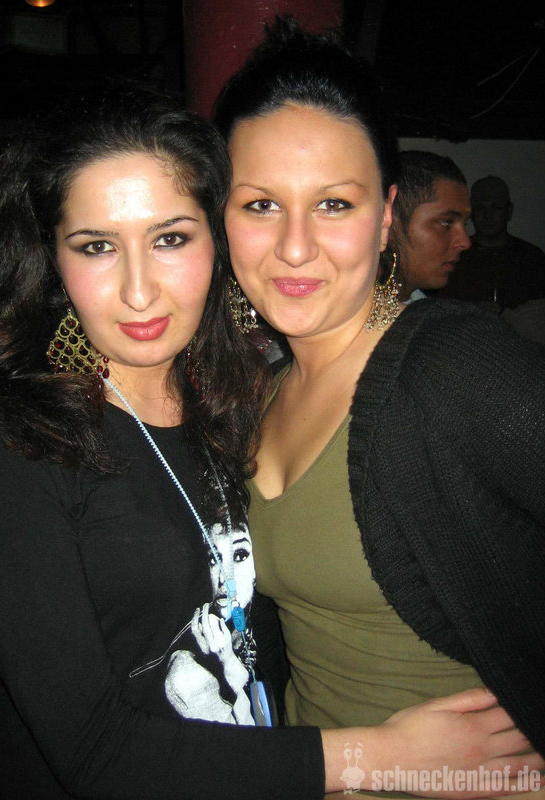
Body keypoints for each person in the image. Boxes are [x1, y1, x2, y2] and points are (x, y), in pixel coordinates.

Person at [0, 81, 527, 800]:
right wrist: (377, 757)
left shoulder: (231, 401)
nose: (138, 291)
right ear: (52, 261)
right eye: (96, 246)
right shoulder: (8, 440)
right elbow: (92, 752)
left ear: (215, 241)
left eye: (170, 239)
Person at [215, 16, 545, 779]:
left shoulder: (455, 366)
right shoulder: (262, 390)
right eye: (260, 204)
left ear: (387, 213)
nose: (295, 246)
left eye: (334, 204)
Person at [442, 174, 545, 309]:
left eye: (496, 207)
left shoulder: (530, 258)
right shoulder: (455, 258)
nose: (488, 215)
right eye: (481, 208)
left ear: (508, 211)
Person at [384, 150, 471, 302]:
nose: (465, 242)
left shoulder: (433, 314)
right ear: (389, 221)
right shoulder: (343, 310)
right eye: (446, 223)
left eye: (465, 224)